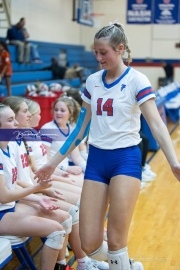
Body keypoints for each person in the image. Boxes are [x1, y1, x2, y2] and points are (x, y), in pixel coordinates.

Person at [34, 21, 180, 270]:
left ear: (120, 49)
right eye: (95, 52)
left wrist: (174, 163)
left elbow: (156, 125)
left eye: (104, 53)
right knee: (89, 242)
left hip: (126, 160)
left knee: (116, 240)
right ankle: (125, 265)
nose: (99, 58)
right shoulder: (92, 81)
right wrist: (51, 163)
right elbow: (80, 131)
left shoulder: (137, 80)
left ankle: (119, 261)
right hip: (97, 161)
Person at [0, 103, 70, 270]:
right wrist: (36, 190)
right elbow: (3, 196)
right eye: (10, 120)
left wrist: (37, 199)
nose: (16, 123)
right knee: (56, 230)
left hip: (9, 207)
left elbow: (12, 185)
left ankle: (62, 266)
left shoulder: (8, 148)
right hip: (3, 212)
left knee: (63, 219)